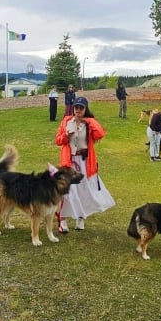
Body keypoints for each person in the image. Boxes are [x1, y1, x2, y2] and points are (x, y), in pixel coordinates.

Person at [54, 96, 115, 232]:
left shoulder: (89, 123)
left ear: (85, 109)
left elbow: (100, 134)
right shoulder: (66, 121)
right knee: (67, 191)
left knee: (84, 189)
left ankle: (81, 217)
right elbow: (58, 140)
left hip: (85, 161)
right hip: (69, 161)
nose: (78, 110)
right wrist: (66, 136)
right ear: (73, 108)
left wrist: (89, 120)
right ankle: (62, 219)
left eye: (81, 108)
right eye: (76, 107)